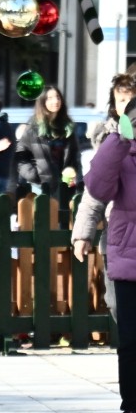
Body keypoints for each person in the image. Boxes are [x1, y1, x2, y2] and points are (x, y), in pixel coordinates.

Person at [82, 101, 136, 413]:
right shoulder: (121, 151)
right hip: (128, 257)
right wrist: (119, 140)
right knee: (130, 341)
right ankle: (131, 412)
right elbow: (97, 187)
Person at [71, 73, 136, 324]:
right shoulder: (107, 138)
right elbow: (93, 193)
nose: (126, 105)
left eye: (131, 99)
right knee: (116, 302)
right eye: (121, 100)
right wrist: (83, 234)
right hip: (117, 234)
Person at [15, 85, 84, 227]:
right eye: (50, 98)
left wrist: (77, 177)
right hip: (40, 187)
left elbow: (75, 157)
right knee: (42, 225)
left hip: (64, 186)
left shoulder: (68, 127)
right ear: (42, 102)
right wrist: (33, 175)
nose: (55, 101)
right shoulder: (33, 127)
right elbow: (20, 156)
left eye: (57, 97)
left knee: (62, 227)